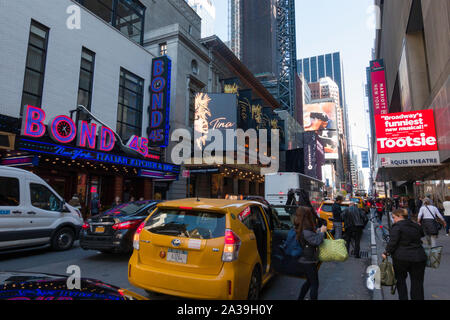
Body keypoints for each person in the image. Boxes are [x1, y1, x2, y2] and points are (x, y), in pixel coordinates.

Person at [382, 209, 427, 300]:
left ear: (400, 216)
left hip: (401, 258)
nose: (393, 220)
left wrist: (386, 252)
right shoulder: (415, 225)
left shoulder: (397, 227)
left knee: (400, 281)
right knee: (417, 282)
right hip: (418, 257)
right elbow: (422, 234)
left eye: (394, 217)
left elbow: (393, 242)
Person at [294, 206, 327, 300]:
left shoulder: (299, 226)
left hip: (304, 258)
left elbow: (310, 237)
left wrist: (317, 231)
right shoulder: (305, 229)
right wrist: (322, 232)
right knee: (314, 284)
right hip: (308, 260)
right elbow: (317, 241)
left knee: (309, 281)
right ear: (306, 216)